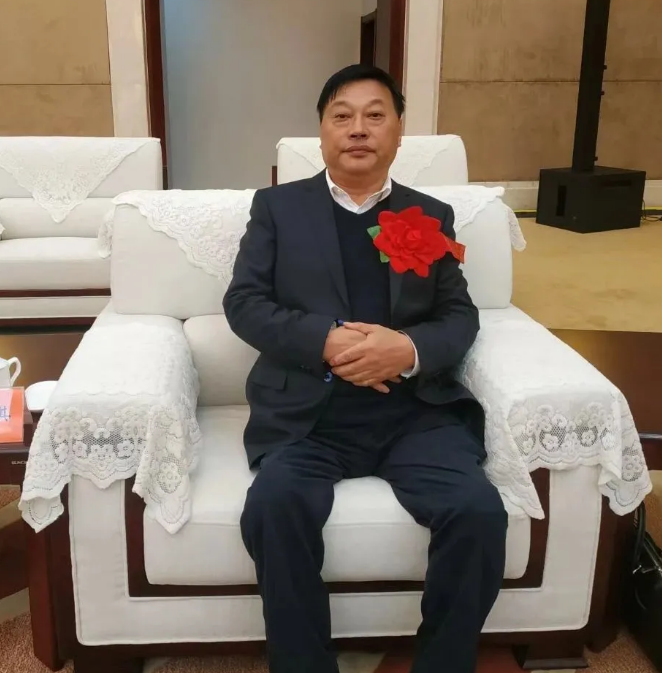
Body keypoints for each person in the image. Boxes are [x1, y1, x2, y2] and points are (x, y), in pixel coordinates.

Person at [222, 64, 507, 673]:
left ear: (398, 130)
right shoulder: (277, 208)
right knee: (274, 507)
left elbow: (458, 316)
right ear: (322, 131)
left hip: (414, 415)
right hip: (309, 416)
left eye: (375, 115)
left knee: (479, 512)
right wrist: (326, 341)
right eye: (342, 116)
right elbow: (244, 303)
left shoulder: (429, 214)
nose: (358, 129)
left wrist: (406, 349)